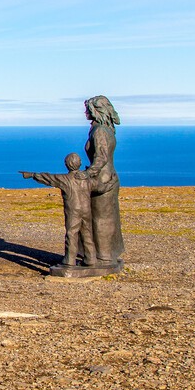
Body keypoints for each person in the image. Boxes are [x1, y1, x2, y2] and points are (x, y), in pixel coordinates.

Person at [21, 153, 96, 267]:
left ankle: (70, 260)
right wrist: (111, 181)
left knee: (72, 233)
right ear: (79, 164)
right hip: (86, 210)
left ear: (66, 165)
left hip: (73, 211)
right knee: (87, 233)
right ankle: (91, 259)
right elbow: (100, 186)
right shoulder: (86, 179)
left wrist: (31, 174)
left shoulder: (65, 179)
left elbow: (48, 178)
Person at [77, 95, 124, 265]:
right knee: (104, 217)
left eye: (88, 110)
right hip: (107, 176)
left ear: (96, 111)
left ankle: (103, 256)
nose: (85, 113)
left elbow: (101, 157)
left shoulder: (100, 132)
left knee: (100, 219)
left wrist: (87, 174)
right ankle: (103, 253)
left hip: (102, 180)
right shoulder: (106, 129)